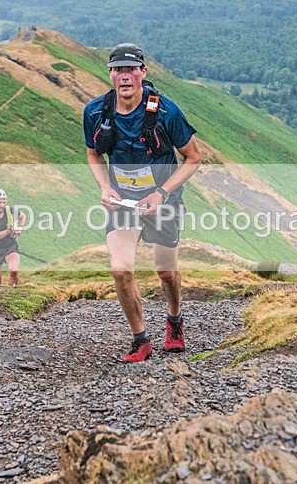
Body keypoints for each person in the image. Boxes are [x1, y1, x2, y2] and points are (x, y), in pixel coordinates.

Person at [83, 43, 202, 363]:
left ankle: (174, 320)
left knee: (166, 271)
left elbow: (193, 157)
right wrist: (105, 187)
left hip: (163, 200)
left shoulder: (166, 111)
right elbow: (93, 153)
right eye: (118, 70)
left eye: (131, 69)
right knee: (121, 270)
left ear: (142, 73)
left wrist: (161, 193)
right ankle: (141, 340)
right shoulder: (95, 112)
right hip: (122, 202)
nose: (124, 76)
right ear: (109, 74)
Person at [0, 189, 26, 286]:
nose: (2, 205)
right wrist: (8, 231)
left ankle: (13, 294)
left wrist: (20, 228)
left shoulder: (10, 210)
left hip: (10, 246)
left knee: (14, 271)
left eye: (4, 202)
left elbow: (23, 216)